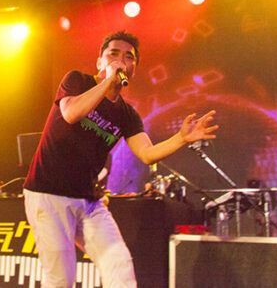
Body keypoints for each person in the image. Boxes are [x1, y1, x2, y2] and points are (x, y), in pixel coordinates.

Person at [23, 30, 219, 288]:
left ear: (133, 69)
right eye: (113, 54)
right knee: (60, 279)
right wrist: (107, 81)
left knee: (119, 264)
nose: (120, 60)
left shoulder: (127, 115)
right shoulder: (77, 80)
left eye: (129, 57)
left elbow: (147, 154)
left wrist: (181, 138)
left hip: (88, 201)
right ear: (99, 61)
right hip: (48, 193)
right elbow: (70, 113)